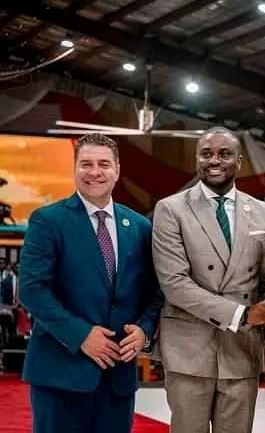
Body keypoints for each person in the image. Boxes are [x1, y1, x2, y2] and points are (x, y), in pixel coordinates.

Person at [19, 133, 162, 433]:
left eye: (103, 164)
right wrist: (81, 335)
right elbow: (32, 290)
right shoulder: (47, 220)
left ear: (117, 170)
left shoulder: (139, 226)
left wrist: (144, 330)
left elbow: (153, 292)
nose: (95, 171)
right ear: (74, 169)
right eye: (86, 163)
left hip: (117, 379)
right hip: (61, 375)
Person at [152, 126, 265, 433]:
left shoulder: (263, 212)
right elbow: (175, 284)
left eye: (224, 154)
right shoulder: (170, 209)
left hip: (242, 352)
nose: (215, 160)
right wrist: (243, 314)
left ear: (239, 162)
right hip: (189, 353)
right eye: (206, 153)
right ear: (197, 160)